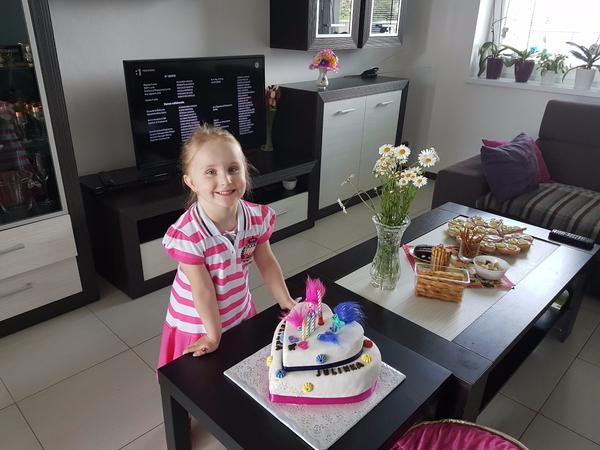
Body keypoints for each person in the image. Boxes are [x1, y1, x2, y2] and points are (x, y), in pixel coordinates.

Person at [157, 125, 297, 368]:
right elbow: (203, 290)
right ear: (191, 182)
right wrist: (213, 335)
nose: (225, 180)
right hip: (198, 324)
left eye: (233, 169)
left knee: (241, 370)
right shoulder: (189, 234)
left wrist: (286, 301)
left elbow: (266, 262)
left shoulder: (256, 218)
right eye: (210, 172)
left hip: (238, 310)